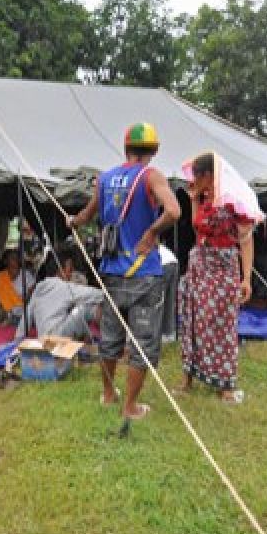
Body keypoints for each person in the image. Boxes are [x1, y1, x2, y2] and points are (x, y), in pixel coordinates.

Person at [67, 122, 181, 420]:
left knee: (110, 337)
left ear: (126, 148)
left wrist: (73, 222)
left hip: (111, 271)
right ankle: (129, 407)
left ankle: (108, 394)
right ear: (154, 151)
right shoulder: (150, 176)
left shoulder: (105, 179)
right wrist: (151, 233)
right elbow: (174, 211)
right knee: (143, 343)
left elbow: (87, 215)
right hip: (144, 272)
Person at [175, 151, 263, 403]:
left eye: (196, 177)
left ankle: (225, 384)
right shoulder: (203, 199)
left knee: (222, 324)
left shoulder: (232, 200)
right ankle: (188, 377)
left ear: (208, 175)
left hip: (224, 268)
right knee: (193, 320)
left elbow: (246, 241)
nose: (193, 181)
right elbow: (197, 228)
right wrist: (193, 200)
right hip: (199, 264)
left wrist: (246, 279)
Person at [19, 255, 105, 340]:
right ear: (60, 270)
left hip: (43, 337)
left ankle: (87, 338)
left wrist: (18, 338)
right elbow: (96, 294)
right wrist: (111, 295)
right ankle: (107, 338)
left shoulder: (39, 287)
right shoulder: (63, 286)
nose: (72, 272)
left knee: (77, 309)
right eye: (70, 269)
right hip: (57, 336)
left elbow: (27, 314)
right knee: (87, 308)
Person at [0, 249, 36, 325]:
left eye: (17, 257)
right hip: (5, 311)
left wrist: (19, 304)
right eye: (12, 258)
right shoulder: (0, 276)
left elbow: (33, 295)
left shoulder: (26, 275)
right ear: (6, 261)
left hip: (23, 313)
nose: (16, 260)